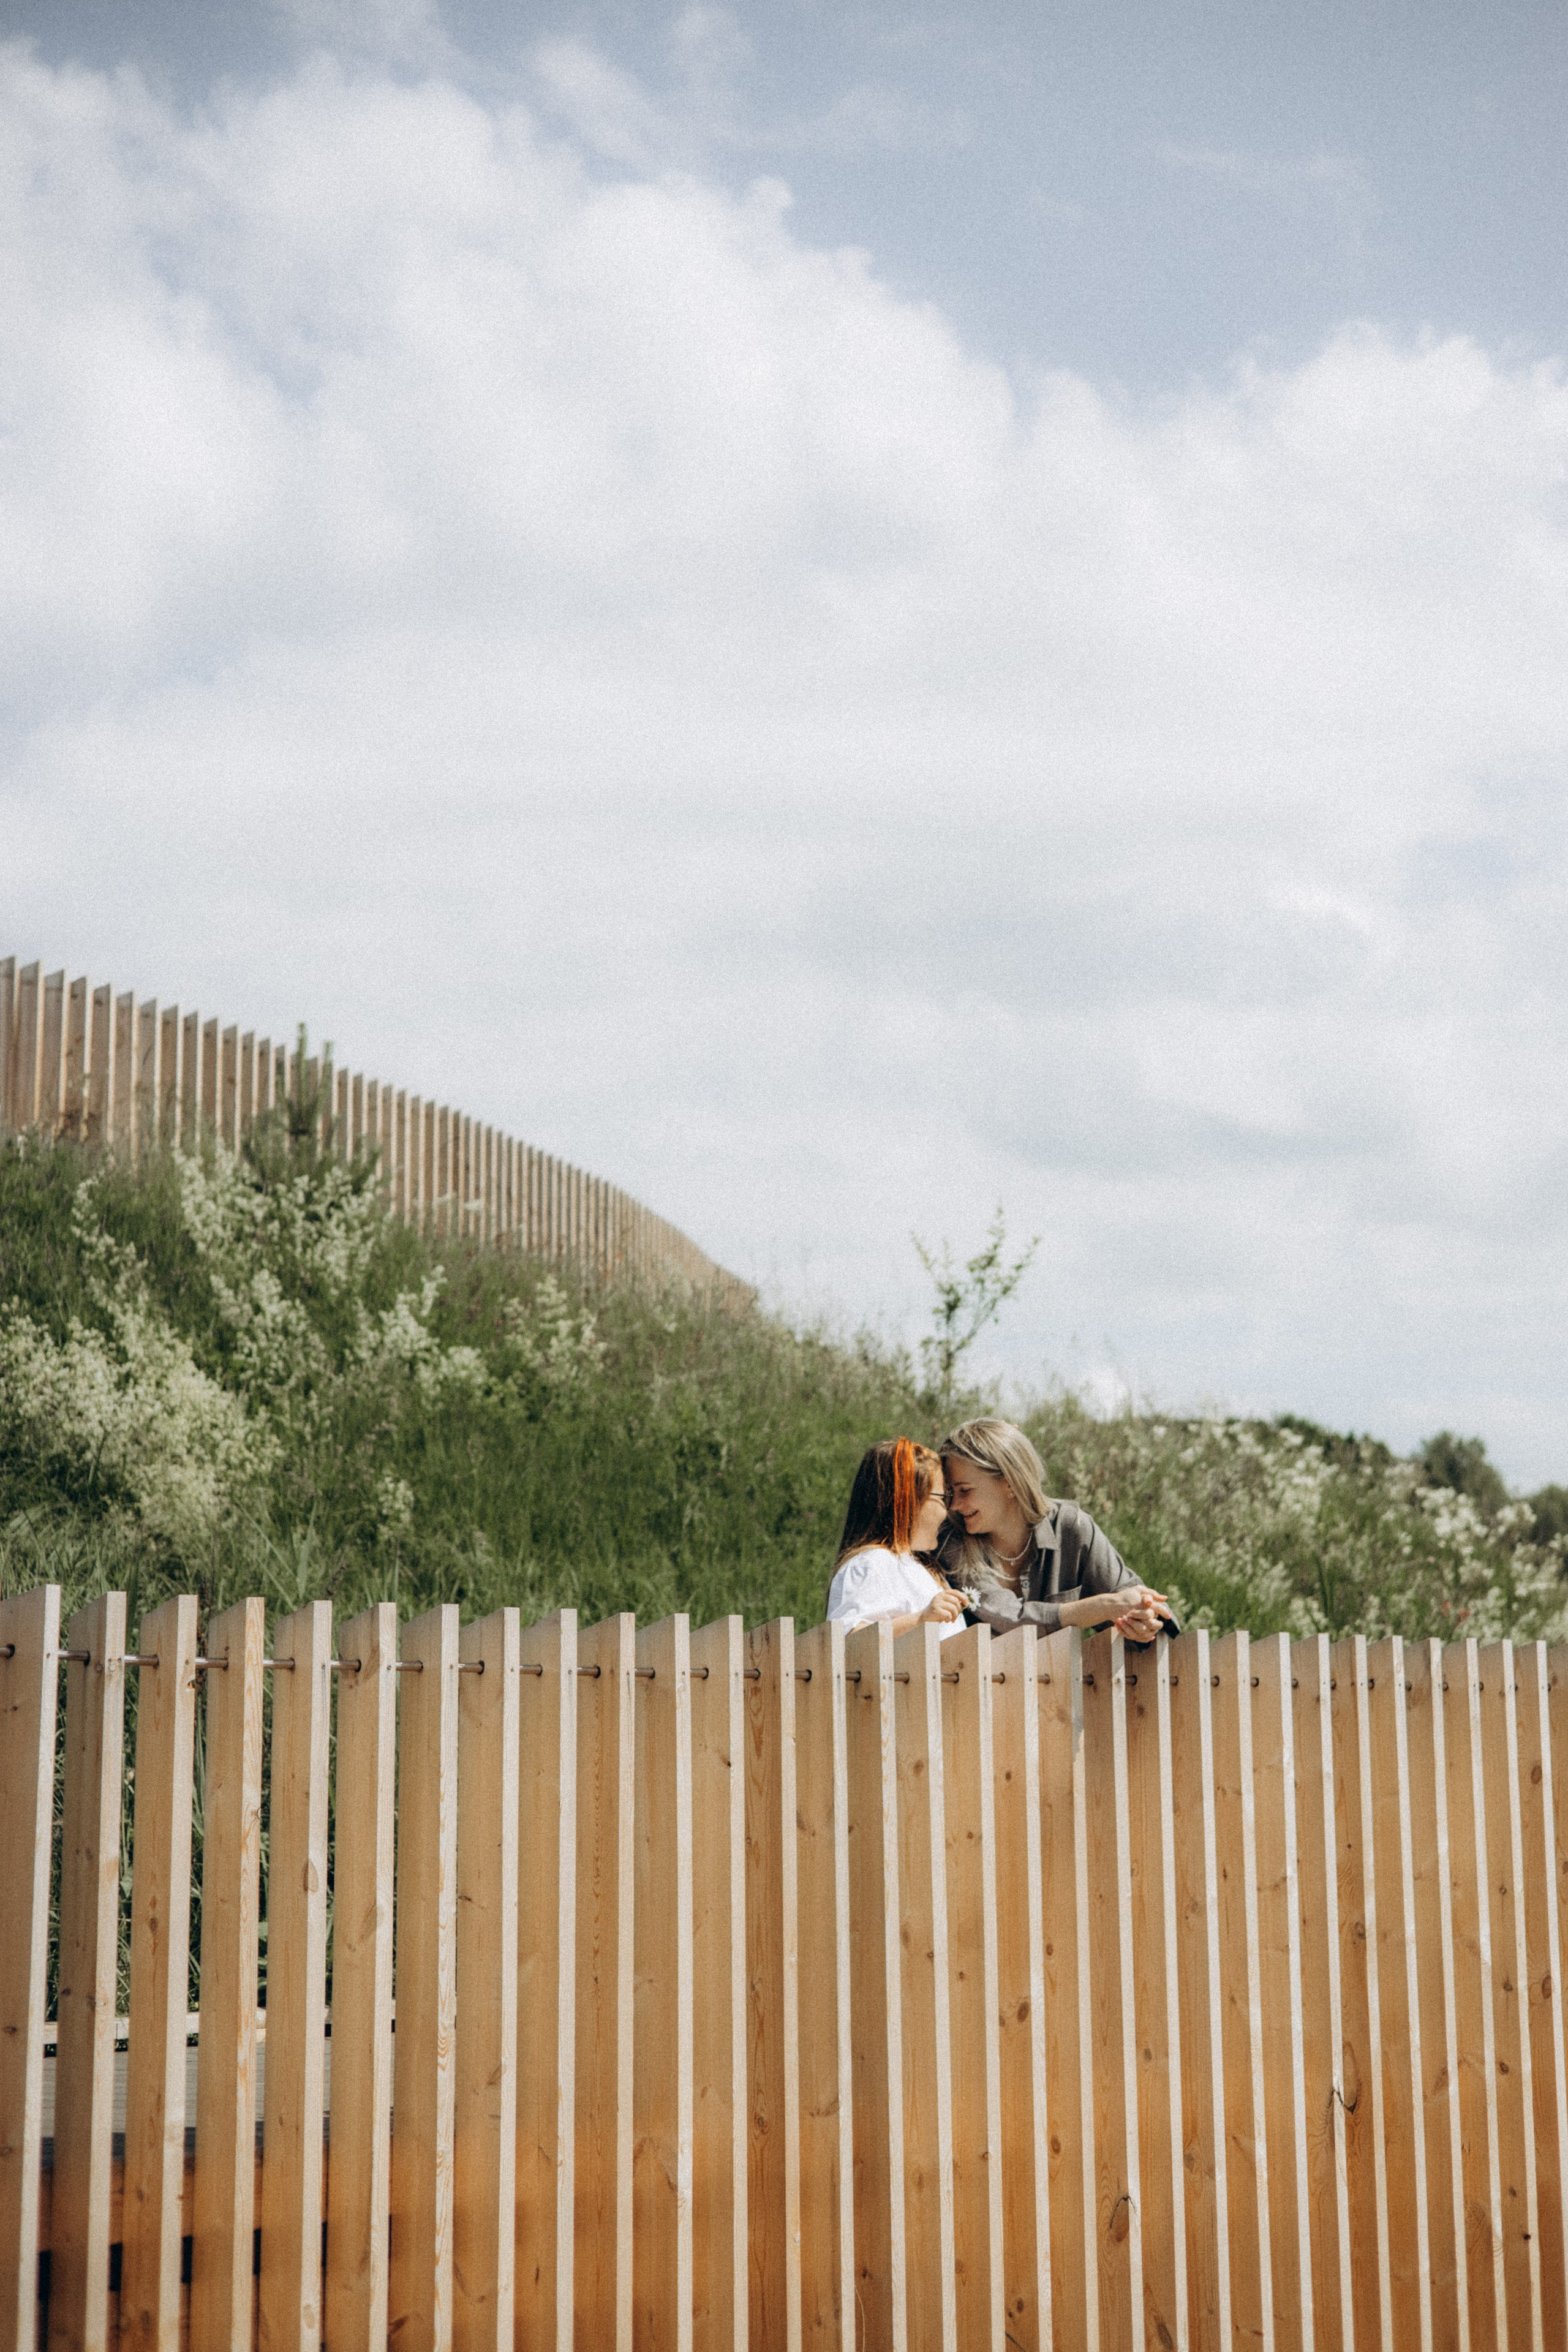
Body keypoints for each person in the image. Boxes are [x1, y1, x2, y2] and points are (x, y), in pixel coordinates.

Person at [937, 1415, 1172, 1641]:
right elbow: (1012, 1621)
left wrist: (1145, 1620)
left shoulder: (1071, 1527)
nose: (955, 1505)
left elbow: (1134, 1598)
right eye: (951, 1493)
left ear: (1010, 1481)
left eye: (965, 1491)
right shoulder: (951, 1541)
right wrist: (1106, 1606)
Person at [826, 1436, 968, 1642]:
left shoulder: (926, 1567)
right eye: (943, 1498)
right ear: (911, 1501)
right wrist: (921, 1619)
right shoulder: (871, 1564)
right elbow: (849, 1642)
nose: (947, 1511)